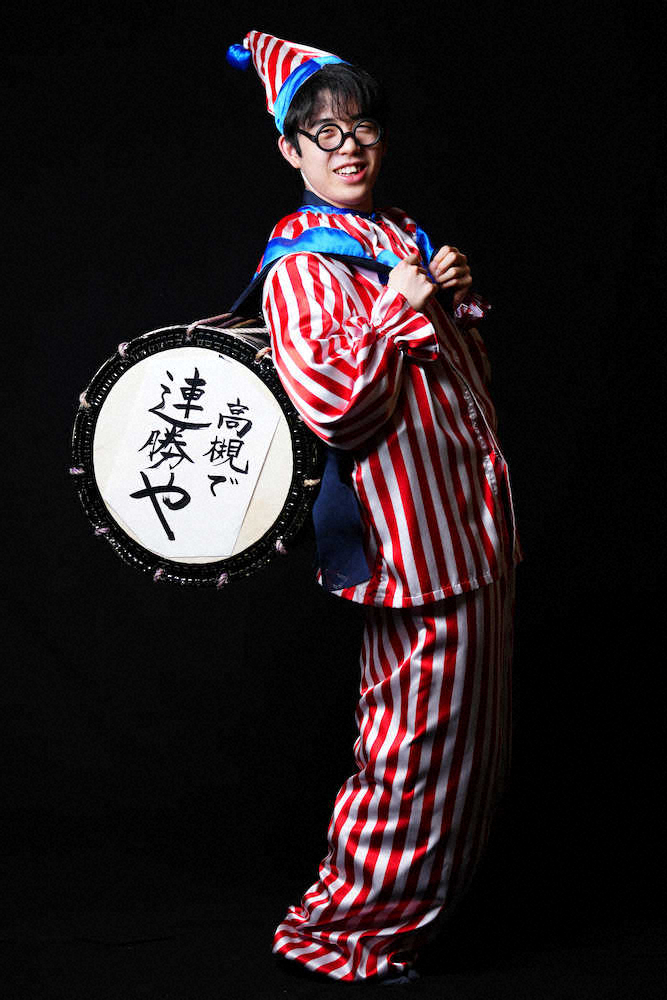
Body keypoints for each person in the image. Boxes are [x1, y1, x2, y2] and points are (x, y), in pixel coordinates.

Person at [227, 30, 521, 985]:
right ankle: (339, 937)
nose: (347, 146)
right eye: (323, 133)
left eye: (361, 127)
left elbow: (461, 377)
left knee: (468, 755)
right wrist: (402, 307)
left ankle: (405, 931)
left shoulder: (397, 233)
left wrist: (454, 300)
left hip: (471, 523)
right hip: (408, 546)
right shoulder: (301, 264)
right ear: (290, 149)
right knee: (411, 751)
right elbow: (336, 408)